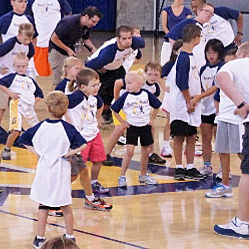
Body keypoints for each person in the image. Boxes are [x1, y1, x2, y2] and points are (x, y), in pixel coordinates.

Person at [20, 91, 86, 248]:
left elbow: (23, 138)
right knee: (65, 205)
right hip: (61, 168)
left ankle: (40, 238)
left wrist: (37, 152)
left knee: (43, 205)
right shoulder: (68, 128)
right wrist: (68, 153)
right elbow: (83, 144)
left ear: (48, 108)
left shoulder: (40, 127)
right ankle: (70, 236)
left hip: (44, 169)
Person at [212, 42, 249, 239]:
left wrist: (241, 103)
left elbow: (221, 77)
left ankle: (242, 223)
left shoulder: (239, 63)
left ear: (241, 53)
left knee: (248, 172)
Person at [65, 68, 113, 202]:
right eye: (94, 85)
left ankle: (93, 184)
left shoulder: (94, 97)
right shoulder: (77, 97)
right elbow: (61, 102)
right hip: (81, 138)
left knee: (99, 159)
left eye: (98, 84)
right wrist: (68, 121)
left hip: (94, 133)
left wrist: (97, 118)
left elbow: (101, 104)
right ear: (82, 87)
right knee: (78, 169)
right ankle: (62, 189)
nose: (97, 87)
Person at [104, 61, 165, 166]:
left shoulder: (155, 88)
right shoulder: (138, 79)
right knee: (119, 128)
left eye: (156, 75)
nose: (153, 77)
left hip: (135, 109)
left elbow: (153, 104)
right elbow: (118, 83)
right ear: (145, 73)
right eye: (150, 74)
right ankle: (106, 154)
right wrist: (117, 99)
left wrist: (149, 118)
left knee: (151, 127)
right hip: (123, 106)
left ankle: (150, 154)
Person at [206, 41, 246, 199]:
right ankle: (225, 185)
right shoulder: (224, 75)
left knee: (242, 153)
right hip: (224, 117)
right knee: (222, 150)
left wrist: (242, 105)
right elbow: (218, 96)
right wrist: (218, 111)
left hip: (238, 120)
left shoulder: (242, 74)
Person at [167, 24, 206, 181]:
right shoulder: (183, 58)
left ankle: (189, 167)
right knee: (179, 136)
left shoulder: (190, 56)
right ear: (196, 38)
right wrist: (189, 101)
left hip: (191, 103)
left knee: (191, 136)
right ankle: (178, 167)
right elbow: (182, 82)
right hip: (183, 104)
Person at [110, 71, 162, 187]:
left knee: (146, 151)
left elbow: (157, 106)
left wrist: (152, 119)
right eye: (126, 83)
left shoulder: (146, 94)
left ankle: (143, 175)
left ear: (139, 84)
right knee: (129, 152)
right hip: (132, 127)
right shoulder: (125, 96)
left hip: (145, 126)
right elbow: (114, 109)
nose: (127, 86)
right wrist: (122, 122)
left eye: (129, 83)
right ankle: (122, 176)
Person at [85, 25, 146, 121]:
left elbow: (142, 44)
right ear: (118, 39)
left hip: (116, 67)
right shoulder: (109, 52)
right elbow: (89, 65)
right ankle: (99, 111)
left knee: (121, 86)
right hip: (100, 68)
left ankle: (117, 109)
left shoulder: (134, 43)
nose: (127, 41)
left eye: (129, 38)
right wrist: (99, 68)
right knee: (100, 89)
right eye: (124, 39)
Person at [0, 23, 35, 133]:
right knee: (1, 105)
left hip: (16, 77)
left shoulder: (29, 46)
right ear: (19, 35)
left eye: (29, 39)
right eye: (25, 39)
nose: (27, 42)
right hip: (3, 77)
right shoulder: (10, 44)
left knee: (17, 104)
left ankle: (16, 128)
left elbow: (29, 55)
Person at [0, 54, 43, 160]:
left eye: (23, 66)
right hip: (17, 106)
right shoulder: (12, 78)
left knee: (37, 130)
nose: (21, 69)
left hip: (29, 109)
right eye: (18, 66)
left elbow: (40, 94)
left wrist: (33, 102)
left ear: (27, 66)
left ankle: (40, 150)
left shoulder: (30, 80)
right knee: (16, 130)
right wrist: (10, 94)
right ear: (14, 66)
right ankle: (7, 149)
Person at [27, 0, 72, 77]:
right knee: (37, 71)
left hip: (55, 39)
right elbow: (27, 16)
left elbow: (68, 12)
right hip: (39, 38)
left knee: (56, 70)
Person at [195, 39, 225, 177]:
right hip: (205, 109)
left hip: (218, 109)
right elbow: (201, 87)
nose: (211, 55)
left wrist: (199, 97)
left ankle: (224, 169)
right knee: (205, 139)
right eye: (208, 52)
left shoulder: (222, 68)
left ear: (220, 53)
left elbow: (215, 88)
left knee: (219, 140)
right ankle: (207, 166)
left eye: (214, 52)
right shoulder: (203, 69)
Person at [49, 6, 101, 85]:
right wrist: (67, 49)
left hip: (70, 51)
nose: (94, 24)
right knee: (59, 79)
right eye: (93, 21)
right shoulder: (68, 22)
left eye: (96, 22)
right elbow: (54, 38)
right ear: (86, 17)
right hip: (57, 50)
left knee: (73, 76)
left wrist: (93, 50)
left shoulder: (87, 26)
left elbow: (85, 39)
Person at [165, 2, 215, 68]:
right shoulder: (189, 22)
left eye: (211, 13)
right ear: (199, 11)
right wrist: (181, 54)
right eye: (206, 11)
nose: (208, 15)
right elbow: (172, 36)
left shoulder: (205, 28)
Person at [159, 39, 184, 158]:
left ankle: (186, 147)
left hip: (183, 96)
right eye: (181, 50)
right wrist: (164, 87)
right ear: (175, 51)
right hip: (172, 96)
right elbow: (158, 75)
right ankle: (165, 145)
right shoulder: (170, 64)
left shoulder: (189, 62)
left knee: (184, 122)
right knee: (170, 121)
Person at [159, 0, 192, 64]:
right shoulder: (166, 10)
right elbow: (164, 26)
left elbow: (188, 25)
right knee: (165, 62)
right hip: (169, 41)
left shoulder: (187, 11)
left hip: (181, 41)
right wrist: (171, 36)